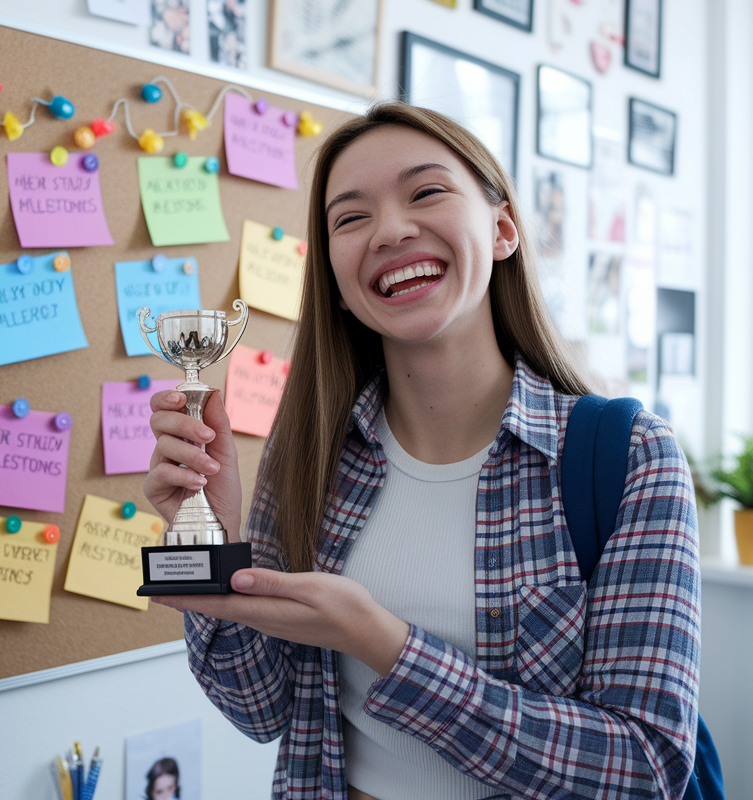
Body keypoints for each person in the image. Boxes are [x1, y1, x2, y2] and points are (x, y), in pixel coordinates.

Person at [143, 103, 700, 800]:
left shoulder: (630, 457)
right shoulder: (312, 453)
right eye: (351, 218)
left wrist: (383, 642)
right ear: (340, 287)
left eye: (426, 192)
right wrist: (219, 539)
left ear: (502, 230)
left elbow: (643, 769)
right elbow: (261, 711)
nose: (391, 230)